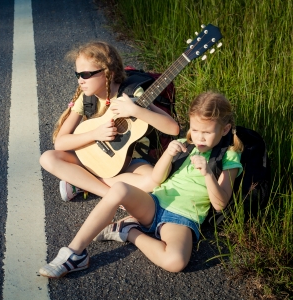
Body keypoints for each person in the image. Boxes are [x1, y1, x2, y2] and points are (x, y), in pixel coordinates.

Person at [39, 91, 244, 278]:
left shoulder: (228, 156)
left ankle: (129, 230)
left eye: (206, 133)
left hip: (181, 217)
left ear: (225, 129)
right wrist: (169, 154)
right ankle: (74, 253)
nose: (198, 137)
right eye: (195, 129)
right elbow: (157, 179)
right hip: (153, 203)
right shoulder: (186, 143)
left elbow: (220, 204)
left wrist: (208, 173)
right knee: (119, 189)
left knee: (176, 262)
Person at [39, 41, 179, 201]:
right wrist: (95, 134)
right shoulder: (86, 97)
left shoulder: (131, 94)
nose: (80, 81)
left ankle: (82, 183)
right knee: (48, 158)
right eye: (77, 75)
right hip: (93, 157)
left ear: (109, 74)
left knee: (152, 181)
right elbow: (60, 143)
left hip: (129, 164)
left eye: (85, 75)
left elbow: (173, 129)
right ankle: (109, 194)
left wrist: (135, 110)